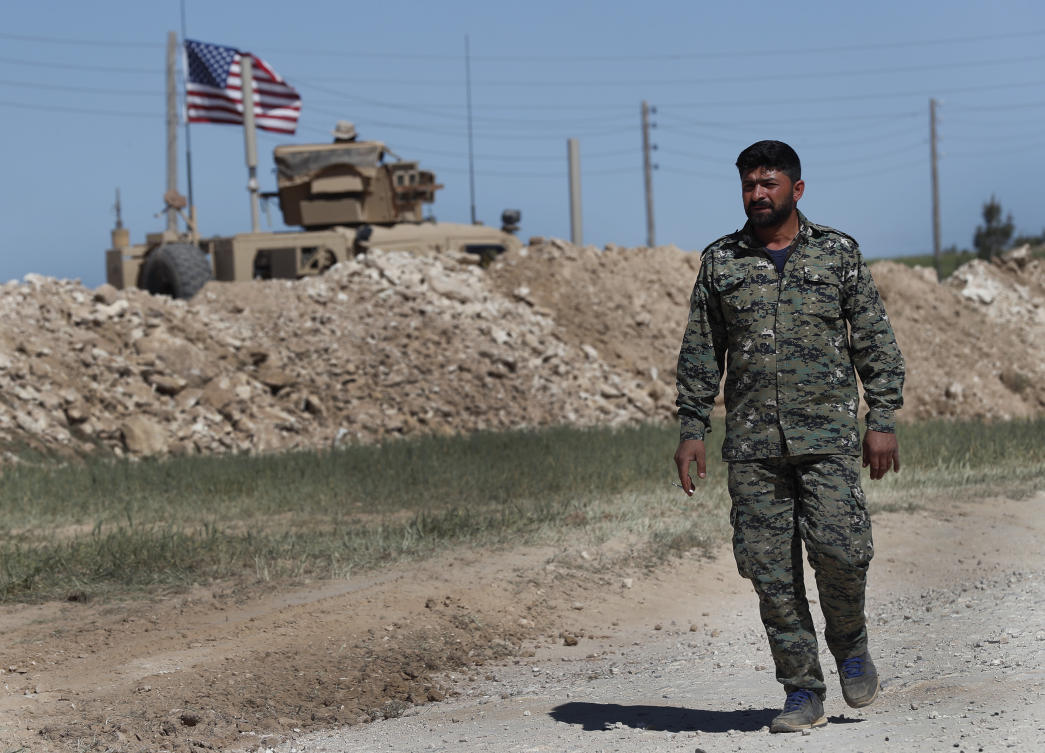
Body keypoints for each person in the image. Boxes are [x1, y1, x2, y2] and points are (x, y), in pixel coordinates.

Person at [673, 140, 904, 733]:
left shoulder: (837, 253)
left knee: (842, 553)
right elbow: (702, 350)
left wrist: (881, 419)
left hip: (827, 438)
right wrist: (692, 427)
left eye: (768, 183)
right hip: (753, 447)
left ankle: (850, 644)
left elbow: (874, 338)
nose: (757, 194)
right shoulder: (720, 262)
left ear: (795, 190)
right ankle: (802, 691)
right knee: (770, 572)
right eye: (749, 185)